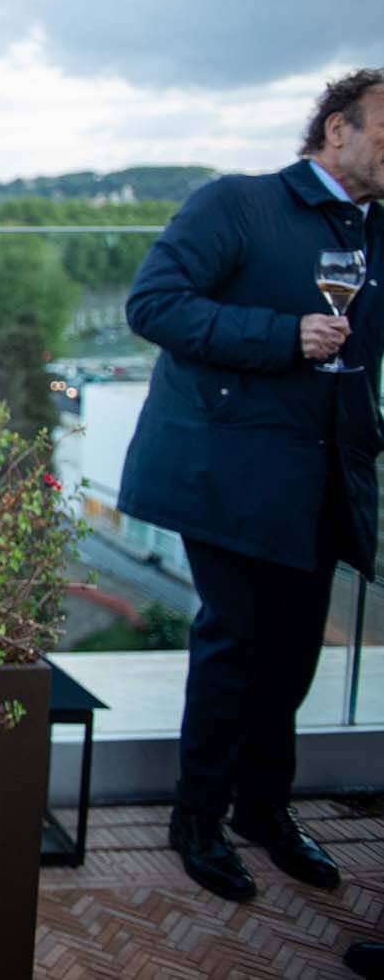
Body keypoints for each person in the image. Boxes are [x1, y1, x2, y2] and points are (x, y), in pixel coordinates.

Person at [119, 68, 384, 903]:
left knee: (295, 650)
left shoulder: (376, 230)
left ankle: (264, 809)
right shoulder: (237, 203)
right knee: (234, 643)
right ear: (336, 130)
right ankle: (196, 816)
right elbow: (152, 305)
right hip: (228, 473)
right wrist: (282, 334)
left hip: (324, 474)